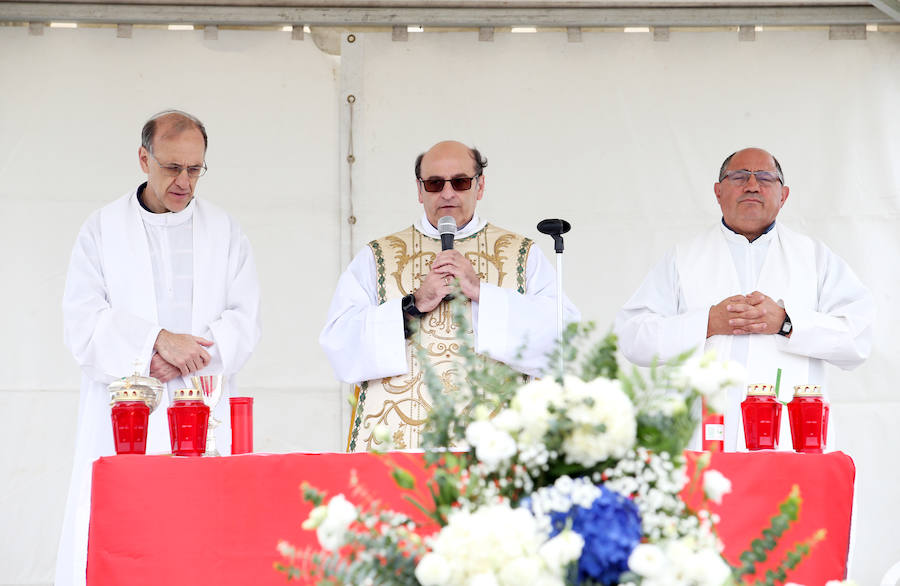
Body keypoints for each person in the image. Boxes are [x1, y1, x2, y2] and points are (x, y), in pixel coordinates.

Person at [57, 110, 261, 586]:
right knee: (126, 538)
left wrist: (186, 358)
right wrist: (154, 343)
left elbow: (244, 319)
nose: (184, 181)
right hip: (125, 412)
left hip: (201, 405)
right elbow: (82, 320)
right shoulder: (101, 229)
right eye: (172, 168)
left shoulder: (225, 230)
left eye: (195, 169)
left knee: (199, 538)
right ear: (144, 158)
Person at [320, 140, 580, 452]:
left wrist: (482, 292)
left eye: (459, 182)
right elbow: (339, 343)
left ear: (479, 186)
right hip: (399, 449)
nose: (447, 193)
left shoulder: (522, 255)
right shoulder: (376, 257)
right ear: (419, 190)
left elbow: (564, 337)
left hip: (495, 446)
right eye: (434, 183)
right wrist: (413, 305)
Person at [615, 147, 874, 452]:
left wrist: (787, 323)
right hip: (701, 443)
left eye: (765, 177)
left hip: (792, 445)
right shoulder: (683, 258)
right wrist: (706, 323)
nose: (752, 185)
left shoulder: (815, 258)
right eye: (739, 176)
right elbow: (633, 336)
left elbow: (858, 339)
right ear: (718, 191)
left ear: (784, 195)